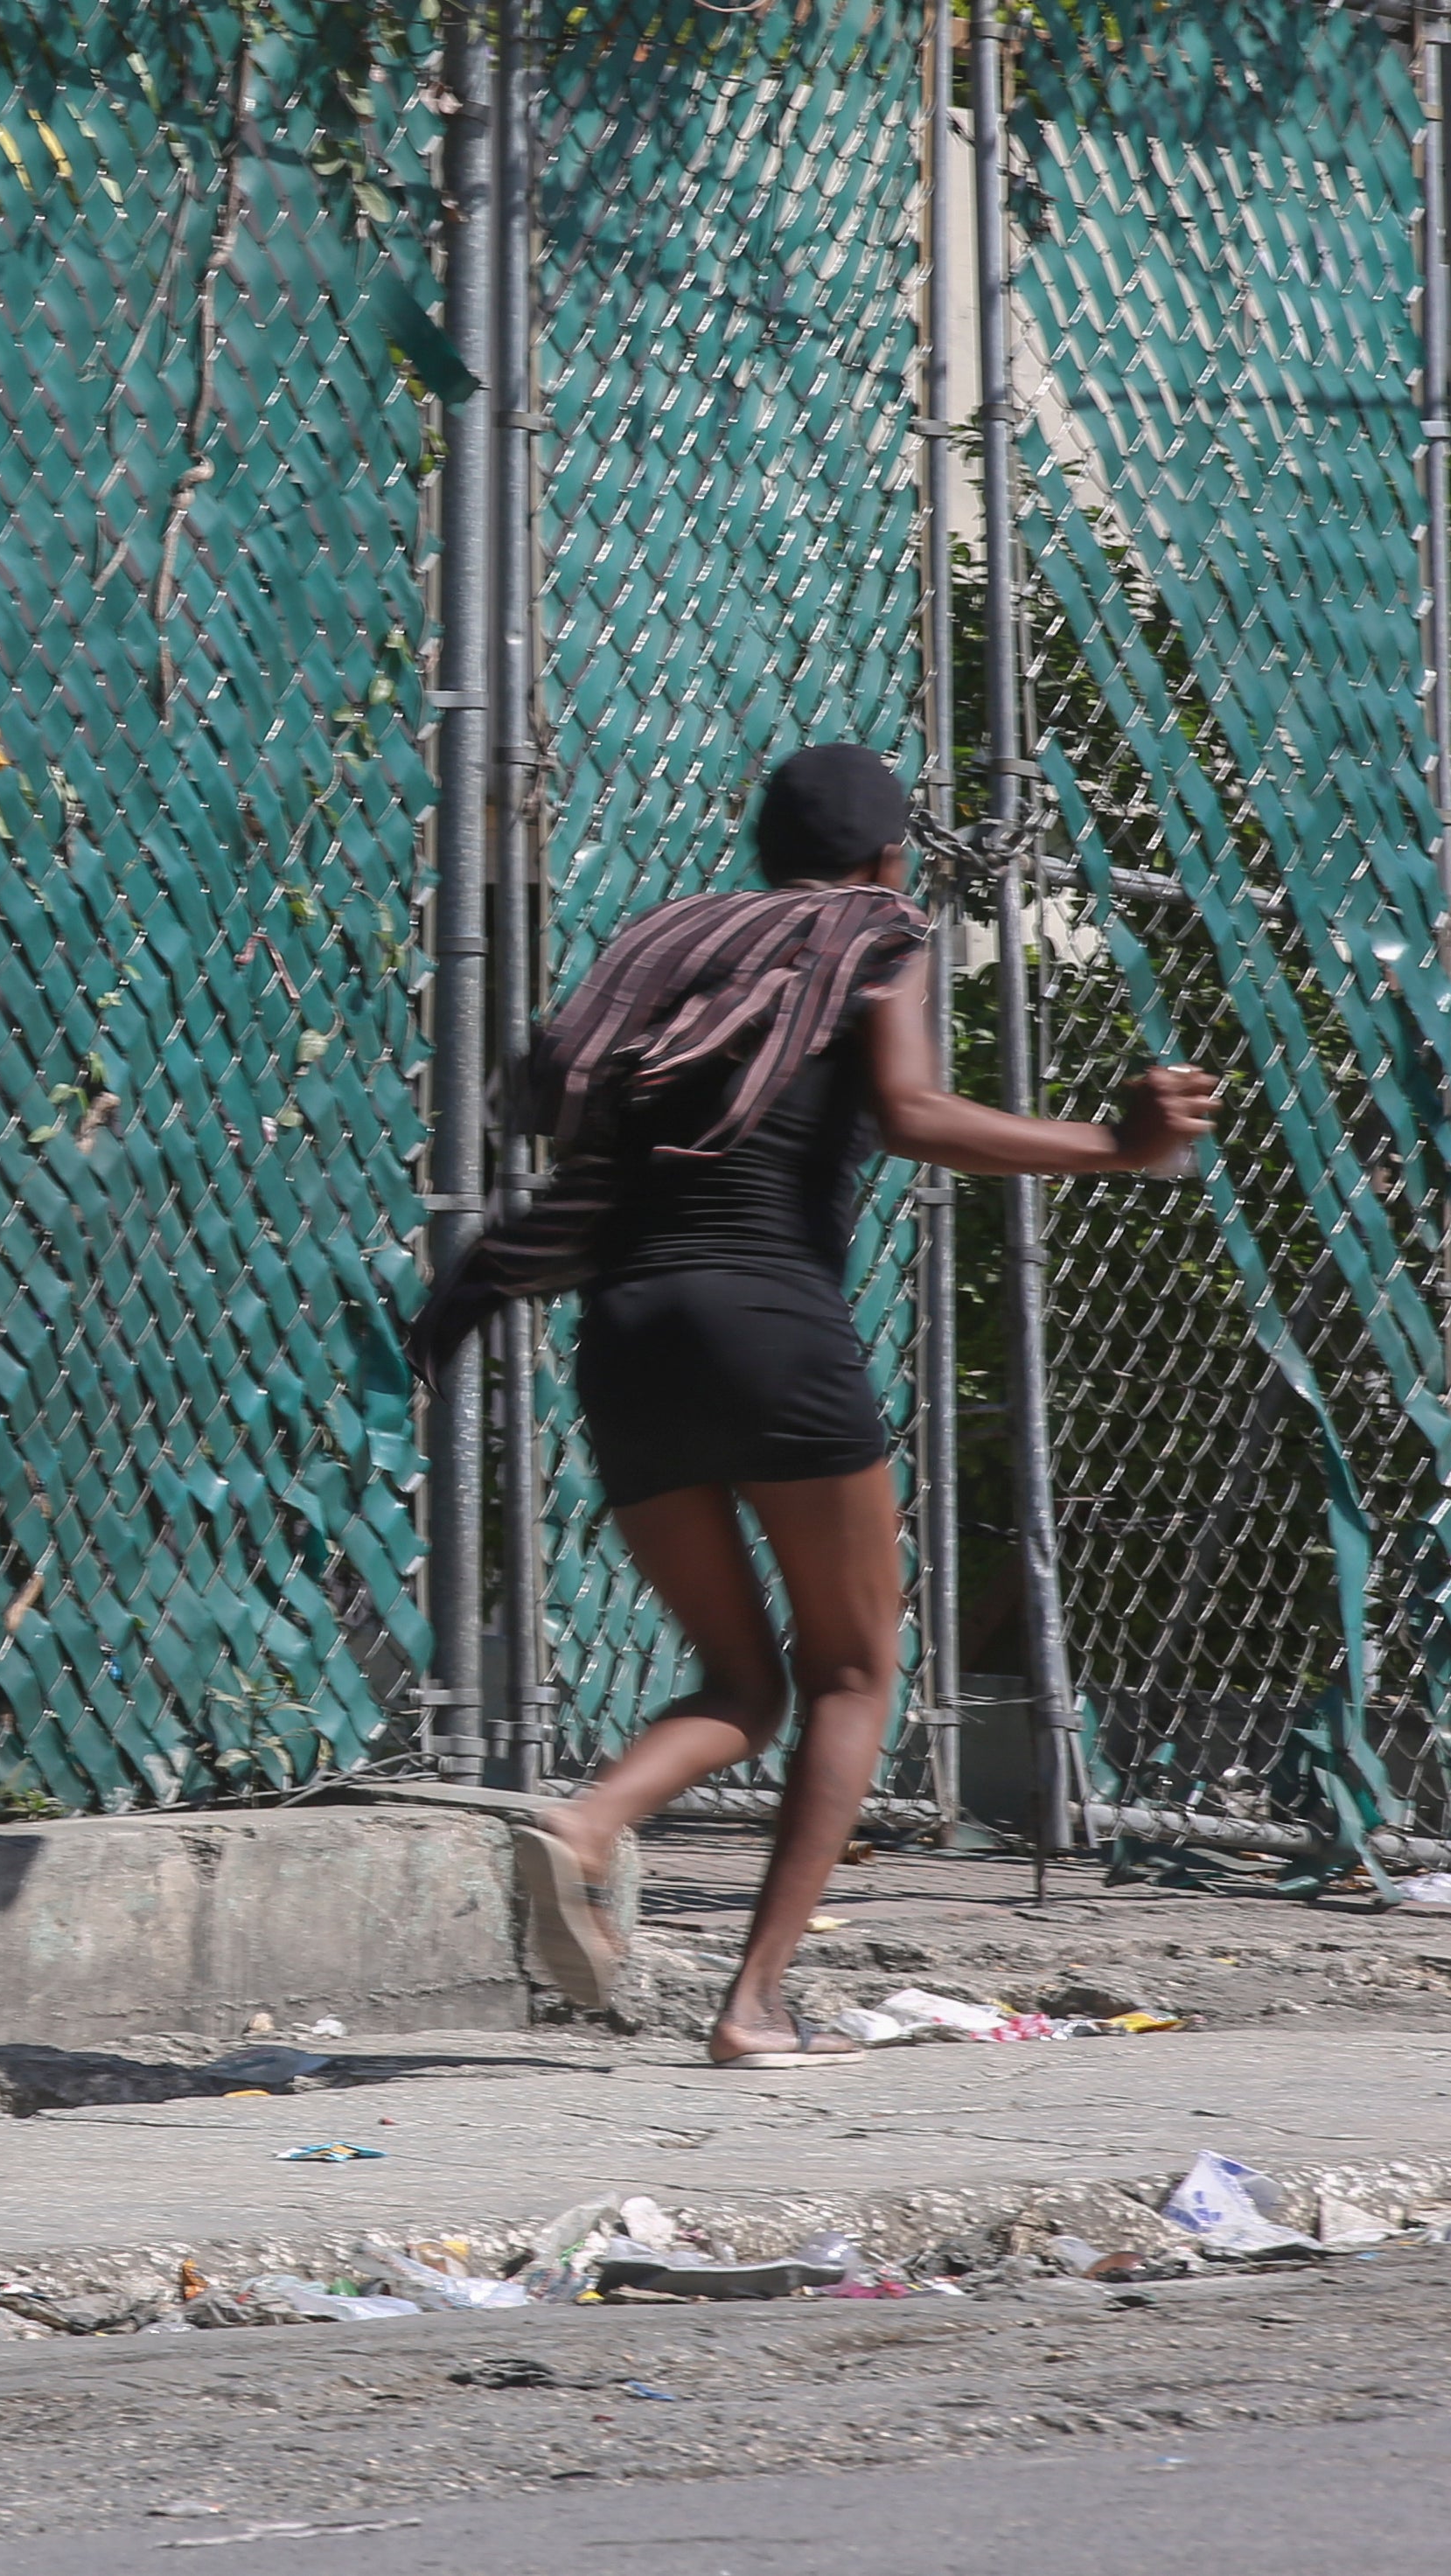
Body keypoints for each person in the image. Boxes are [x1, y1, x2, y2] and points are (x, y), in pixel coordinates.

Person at [410, 744, 1217, 2067]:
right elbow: (906, 1108)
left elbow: (573, 1136)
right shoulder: (875, 935)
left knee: (744, 1677)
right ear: (894, 859)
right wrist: (1114, 1147)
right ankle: (755, 2003)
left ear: (756, 847)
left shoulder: (670, 948)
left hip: (626, 1339)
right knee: (851, 1669)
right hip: (772, 1330)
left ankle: (588, 1821)